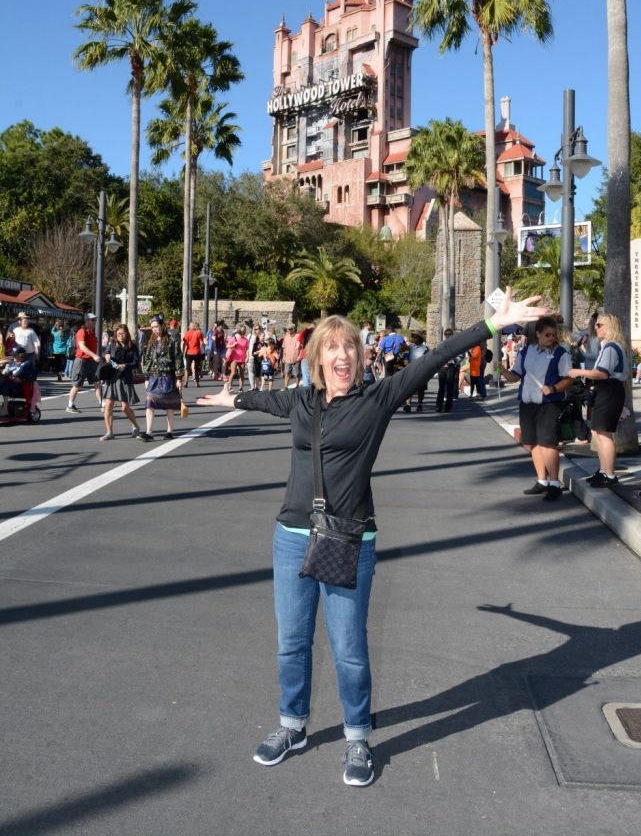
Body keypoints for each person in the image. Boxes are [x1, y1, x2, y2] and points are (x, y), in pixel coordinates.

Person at [197, 287, 546, 787]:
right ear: (317, 358)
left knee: (349, 647)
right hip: (291, 535)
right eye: (332, 348)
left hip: (348, 539)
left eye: (350, 347)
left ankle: (357, 736)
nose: (342, 355)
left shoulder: (377, 399)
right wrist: (231, 396)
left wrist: (493, 324)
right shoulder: (302, 402)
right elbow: (261, 399)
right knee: (291, 643)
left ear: (361, 356)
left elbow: (436, 360)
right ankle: (291, 726)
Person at [498, 317, 573, 500]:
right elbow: (515, 377)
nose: (551, 338)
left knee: (548, 443)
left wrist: (554, 388)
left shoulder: (561, 353)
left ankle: (554, 483)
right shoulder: (525, 352)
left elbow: (569, 379)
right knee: (532, 443)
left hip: (549, 404)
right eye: (547, 334)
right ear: (538, 334)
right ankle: (542, 481)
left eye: (553, 335)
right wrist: (502, 370)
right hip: (527, 403)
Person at [567, 312, 627, 488]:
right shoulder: (609, 346)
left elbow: (602, 373)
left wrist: (579, 372)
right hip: (607, 389)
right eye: (596, 325)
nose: (596, 327)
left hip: (609, 389)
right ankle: (603, 471)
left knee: (604, 433)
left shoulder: (611, 347)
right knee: (597, 432)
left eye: (599, 325)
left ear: (610, 327)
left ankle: (609, 474)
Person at [140, 315, 184, 441]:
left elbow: (178, 359)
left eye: (156, 327)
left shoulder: (172, 341)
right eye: (152, 327)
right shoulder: (152, 341)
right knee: (149, 403)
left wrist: (179, 378)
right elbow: (147, 358)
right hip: (154, 377)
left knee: (169, 405)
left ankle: (169, 431)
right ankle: (149, 432)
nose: (154, 329)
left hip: (168, 377)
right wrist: (146, 376)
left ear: (162, 326)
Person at [100, 323, 142, 441]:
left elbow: (136, 362)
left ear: (127, 334)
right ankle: (109, 432)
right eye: (118, 334)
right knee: (108, 405)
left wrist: (125, 365)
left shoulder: (132, 346)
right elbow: (105, 354)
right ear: (115, 335)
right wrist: (106, 355)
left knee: (124, 407)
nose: (121, 336)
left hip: (125, 378)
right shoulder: (112, 344)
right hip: (112, 377)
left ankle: (136, 426)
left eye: (123, 333)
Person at [66, 314, 101, 414]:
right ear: (86, 321)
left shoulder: (92, 333)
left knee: (97, 382)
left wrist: (97, 356)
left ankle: (101, 403)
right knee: (77, 384)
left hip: (91, 361)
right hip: (82, 360)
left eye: (95, 320)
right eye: (92, 320)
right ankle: (70, 405)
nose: (95, 322)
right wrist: (94, 355)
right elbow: (82, 347)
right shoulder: (82, 332)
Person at [0, 346, 37, 416]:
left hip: (22, 386)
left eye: (15, 356)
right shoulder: (17, 361)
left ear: (21, 355)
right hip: (13, 382)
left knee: (4, 384)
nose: (13, 357)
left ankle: (5, 409)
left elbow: (14, 374)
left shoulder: (26, 364)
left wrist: (6, 369)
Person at [435, 327, 461, 412]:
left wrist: (455, 360)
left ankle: (448, 406)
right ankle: (439, 405)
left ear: (452, 335)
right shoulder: (441, 344)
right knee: (441, 387)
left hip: (451, 366)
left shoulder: (456, 344)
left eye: (449, 334)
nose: (447, 336)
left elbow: (461, 355)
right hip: (442, 367)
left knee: (450, 387)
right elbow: (437, 354)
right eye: (446, 334)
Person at [403, 331, 429, 412]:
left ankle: (419, 404)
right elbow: (405, 355)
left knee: (420, 389)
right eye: (413, 337)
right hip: (411, 369)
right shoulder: (410, 347)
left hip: (421, 370)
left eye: (415, 337)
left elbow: (428, 359)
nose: (413, 339)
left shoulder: (425, 348)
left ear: (420, 339)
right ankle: (408, 405)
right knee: (409, 388)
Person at [226, 325, 249, 392]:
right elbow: (227, 346)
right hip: (234, 358)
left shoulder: (246, 340)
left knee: (242, 373)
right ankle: (230, 387)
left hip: (242, 358)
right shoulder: (234, 338)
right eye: (242, 332)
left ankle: (241, 388)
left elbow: (247, 349)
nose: (243, 334)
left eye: (244, 333)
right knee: (233, 372)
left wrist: (247, 357)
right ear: (239, 332)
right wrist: (233, 345)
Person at [182, 321, 205, 387]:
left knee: (187, 368)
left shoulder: (187, 333)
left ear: (190, 326)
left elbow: (185, 344)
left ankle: (186, 382)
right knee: (197, 368)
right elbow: (201, 343)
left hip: (189, 352)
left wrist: (184, 352)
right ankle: (197, 383)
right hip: (197, 352)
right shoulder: (199, 333)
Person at [281, 324, 302, 388]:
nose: (288, 331)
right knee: (286, 373)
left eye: (290, 329)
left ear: (293, 329)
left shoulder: (298, 336)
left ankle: (297, 385)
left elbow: (301, 348)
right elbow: (284, 348)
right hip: (287, 358)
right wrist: (283, 357)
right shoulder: (286, 337)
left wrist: (299, 356)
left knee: (296, 373)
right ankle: (285, 386)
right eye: (287, 329)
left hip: (296, 358)